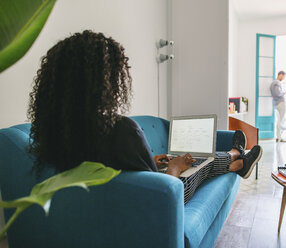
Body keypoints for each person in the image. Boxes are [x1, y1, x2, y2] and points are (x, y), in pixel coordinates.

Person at [27, 30, 263, 204]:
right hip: (169, 196)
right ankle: (237, 157)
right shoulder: (119, 129)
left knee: (197, 161)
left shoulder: (55, 131)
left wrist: (149, 158)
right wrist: (174, 166)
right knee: (203, 165)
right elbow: (160, 193)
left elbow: (113, 165)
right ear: (103, 82)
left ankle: (238, 160)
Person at [270, 71, 286, 142]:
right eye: (284, 76)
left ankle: (279, 137)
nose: (283, 78)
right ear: (281, 75)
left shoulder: (273, 83)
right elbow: (278, 93)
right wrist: (285, 92)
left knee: (279, 121)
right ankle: (279, 137)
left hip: (276, 103)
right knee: (281, 121)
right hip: (280, 103)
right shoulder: (276, 83)